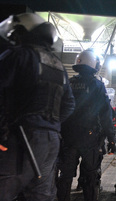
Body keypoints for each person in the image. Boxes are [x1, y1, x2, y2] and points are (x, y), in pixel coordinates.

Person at [0, 13, 75, 201]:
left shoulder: (18, 56)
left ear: (22, 33)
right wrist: (49, 124)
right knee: (41, 194)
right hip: (50, 140)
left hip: (21, 138)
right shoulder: (58, 65)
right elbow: (69, 104)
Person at [56, 50, 116, 201]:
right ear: (93, 64)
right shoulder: (97, 85)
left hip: (68, 137)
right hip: (89, 138)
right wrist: (112, 138)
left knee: (65, 177)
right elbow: (105, 115)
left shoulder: (68, 83)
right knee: (91, 177)